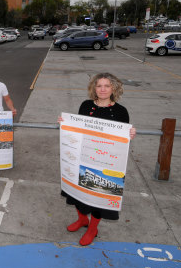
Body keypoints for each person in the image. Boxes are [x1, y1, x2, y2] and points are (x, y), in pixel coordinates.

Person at [58, 73, 136, 246]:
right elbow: (77, 130)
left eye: (106, 86)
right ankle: (82, 220)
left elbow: (121, 140)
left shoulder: (121, 111)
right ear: (94, 88)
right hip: (83, 158)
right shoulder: (85, 105)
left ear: (113, 88)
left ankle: (92, 228)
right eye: (99, 85)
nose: (102, 89)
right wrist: (66, 124)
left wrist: (129, 135)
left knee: (99, 197)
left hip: (105, 163)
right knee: (77, 193)